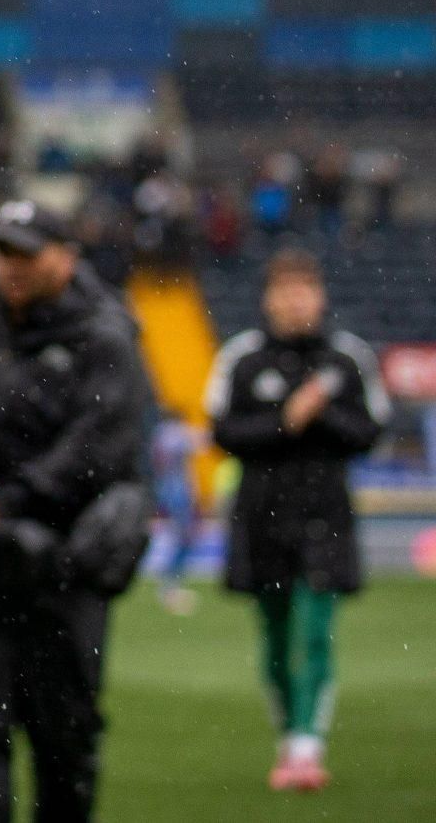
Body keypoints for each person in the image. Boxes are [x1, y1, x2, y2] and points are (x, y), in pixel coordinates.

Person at [0, 199, 151, 823]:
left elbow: (98, 451)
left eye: (25, 252)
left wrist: (4, 501)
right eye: (0, 252)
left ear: (67, 257)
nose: (10, 266)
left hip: (66, 563)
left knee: (64, 736)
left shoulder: (106, 339)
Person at [206, 248, 391, 793]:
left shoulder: (348, 358)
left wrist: (323, 414)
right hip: (261, 517)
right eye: (284, 291)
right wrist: (285, 422)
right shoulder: (241, 358)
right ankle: (290, 733)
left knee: (314, 630)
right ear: (268, 298)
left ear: (320, 295)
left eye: (304, 290)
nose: (295, 301)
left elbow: (369, 434)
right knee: (273, 633)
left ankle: (308, 746)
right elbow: (223, 434)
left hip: (325, 516)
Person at [145, 412, 204, 615]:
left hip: (164, 489)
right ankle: (170, 586)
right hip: (177, 491)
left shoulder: (158, 434)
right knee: (184, 537)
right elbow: (200, 441)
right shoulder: (174, 434)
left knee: (180, 538)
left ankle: (169, 584)